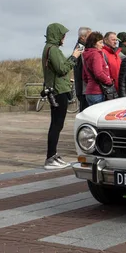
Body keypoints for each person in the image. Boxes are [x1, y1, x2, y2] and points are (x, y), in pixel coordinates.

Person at [41, 23, 82, 170]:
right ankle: (50, 158)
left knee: (57, 124)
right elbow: (62, 68)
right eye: (62, 35)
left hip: (57, 89)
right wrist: (74, 56)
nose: (64, 38)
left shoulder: (50, 49)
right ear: (56, 35)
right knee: (56, 124)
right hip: (58, 91)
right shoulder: (53, 50)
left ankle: (53, 155)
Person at [82, 31, 114, 106]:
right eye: (100, 42)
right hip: (98, 92)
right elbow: (98, 73)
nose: (102, 45)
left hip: (89, 92)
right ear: (94, 43)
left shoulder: (87, 54)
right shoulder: (96, 54)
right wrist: (109, 81)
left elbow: (84, 76)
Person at [72, 26, 91, 112]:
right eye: (89, 36)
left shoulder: (82, 47)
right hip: (82, 85)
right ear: (82, 37)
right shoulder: (80, 47)